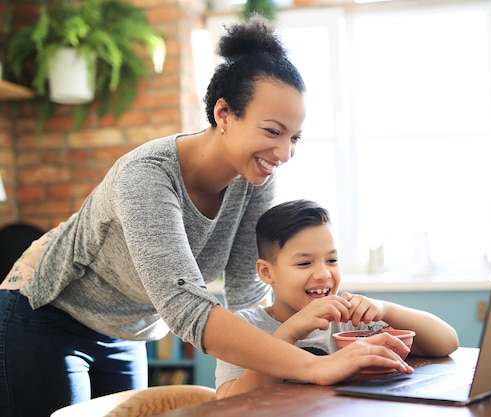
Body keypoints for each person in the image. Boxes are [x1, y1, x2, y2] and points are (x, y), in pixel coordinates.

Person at [0, 16, 414, 417]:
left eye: (295, 137)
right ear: (224, 114)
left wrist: (291, 353)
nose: (285, 153)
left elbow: (247, 295)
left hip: (128, 331)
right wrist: (313, 366)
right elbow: (186, 305)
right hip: (46, 315)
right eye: (273, 131)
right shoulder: (145, 176)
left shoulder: (256, 178)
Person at [215, 199, 460, 399]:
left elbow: (447, 343)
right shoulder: (243, 328)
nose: (323, 274)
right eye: (304, 263)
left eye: (332, 260)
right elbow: (227, 403)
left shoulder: (350, 319)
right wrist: (288, 333)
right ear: (267, 272)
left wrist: (385, 309)